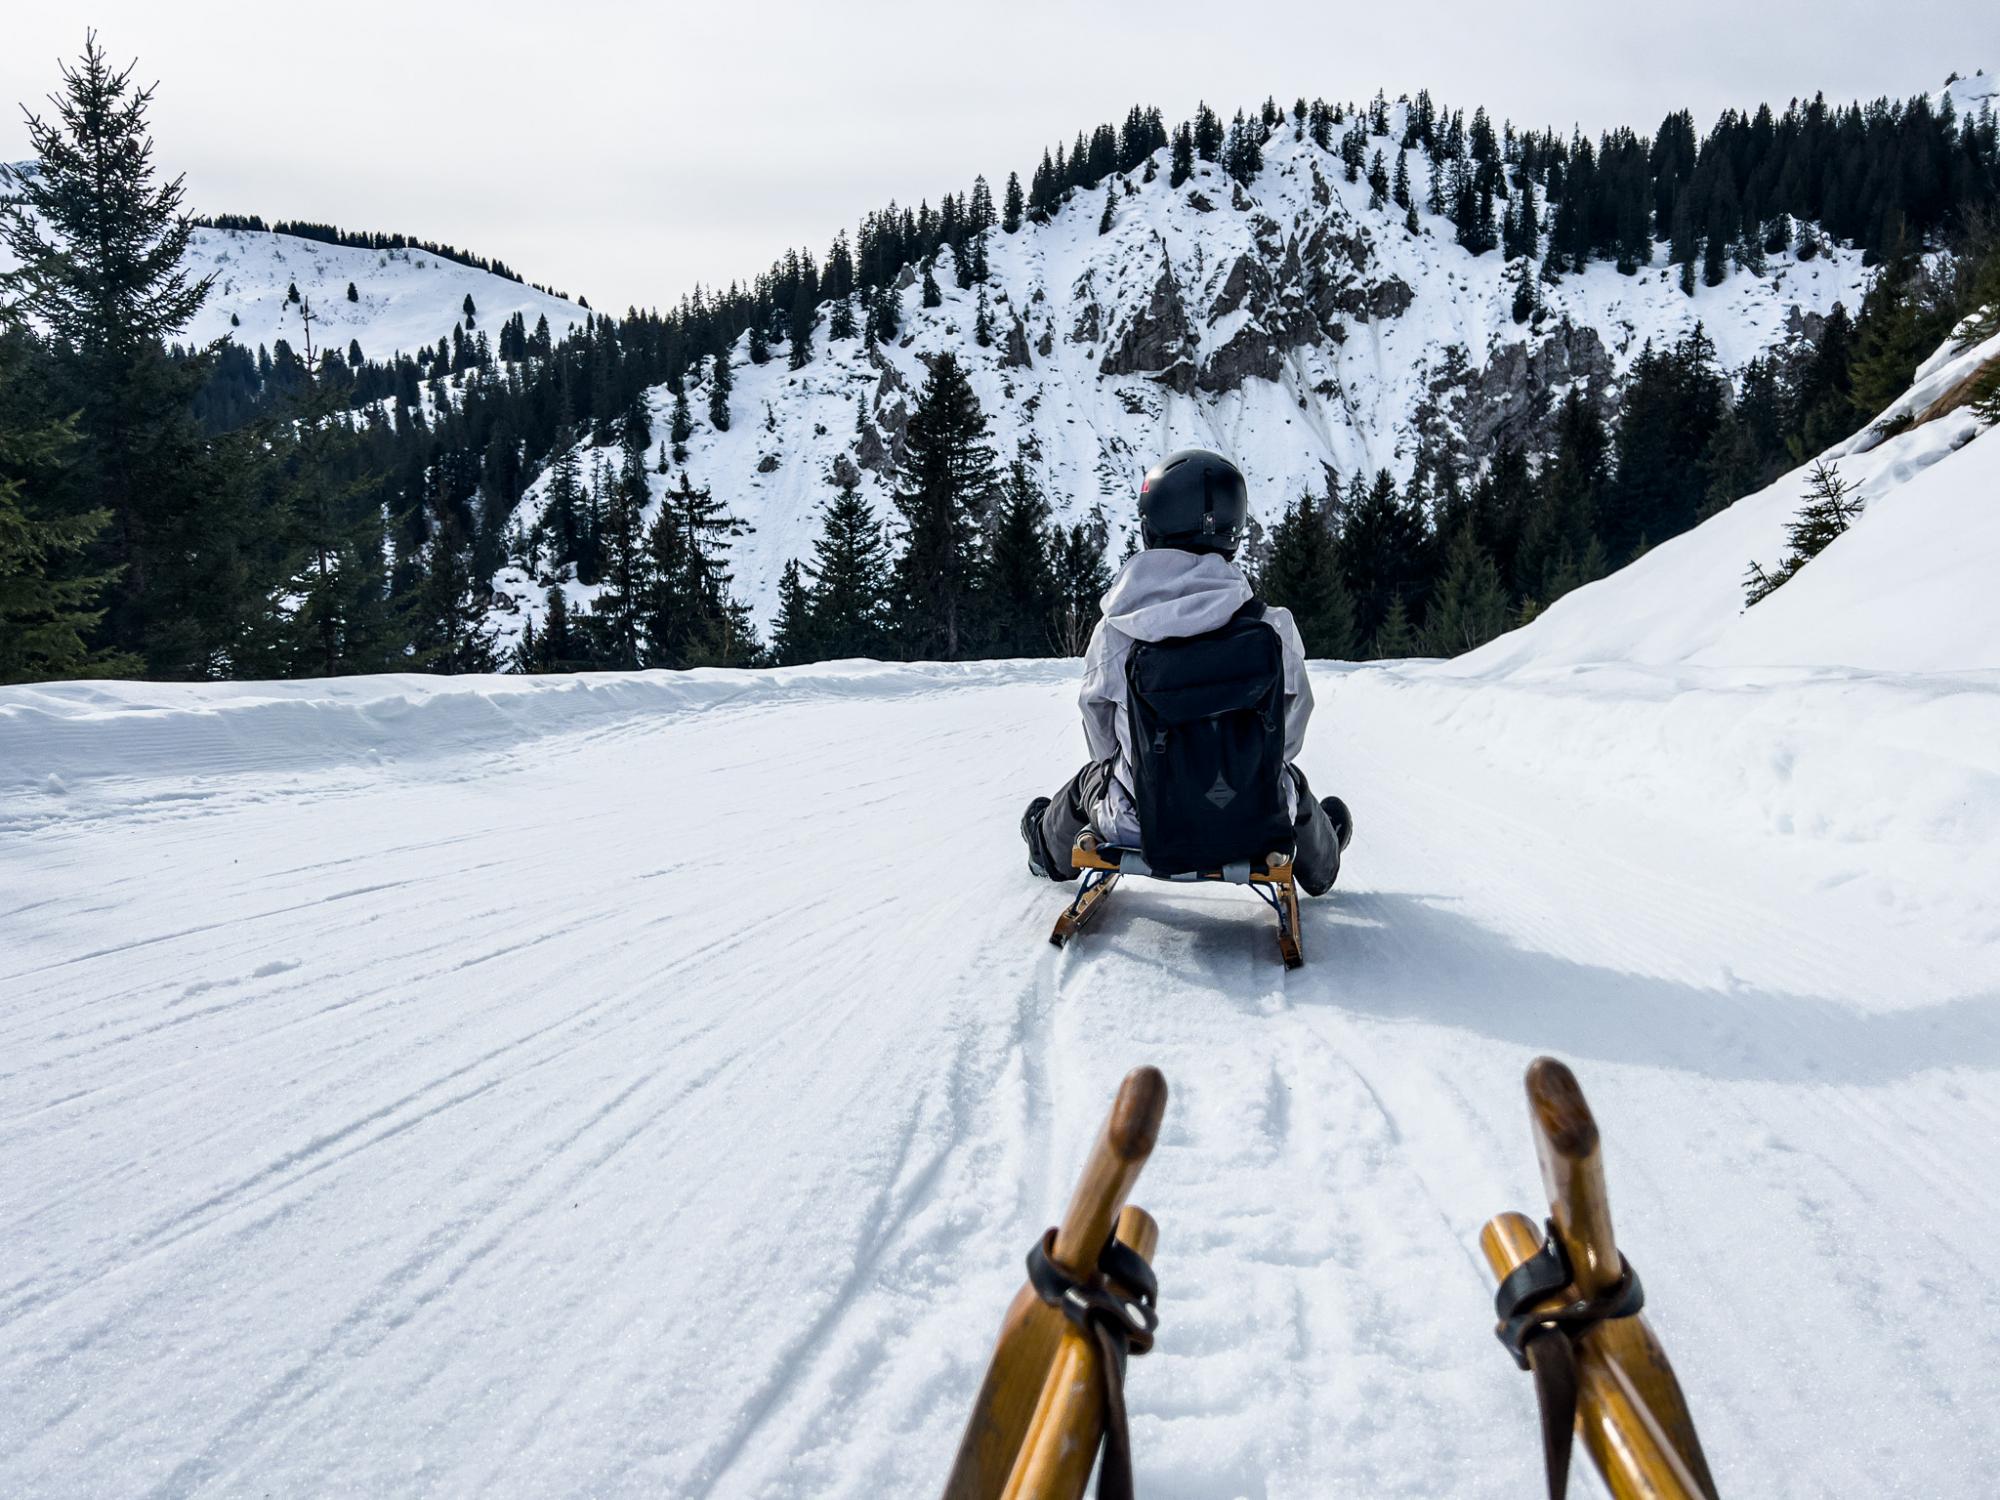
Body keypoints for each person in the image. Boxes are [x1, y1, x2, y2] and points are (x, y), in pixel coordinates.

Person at [1020, 448, 1353, 893]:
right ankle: (1322, 860)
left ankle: (1045, 849)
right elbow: (1288, 736)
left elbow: (1099, 733)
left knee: (1091, 779)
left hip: (1143, 825)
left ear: (1151, 525)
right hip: (1254, 822)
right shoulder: (1271, 625)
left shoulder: (1117, 631)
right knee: (1286, 779)